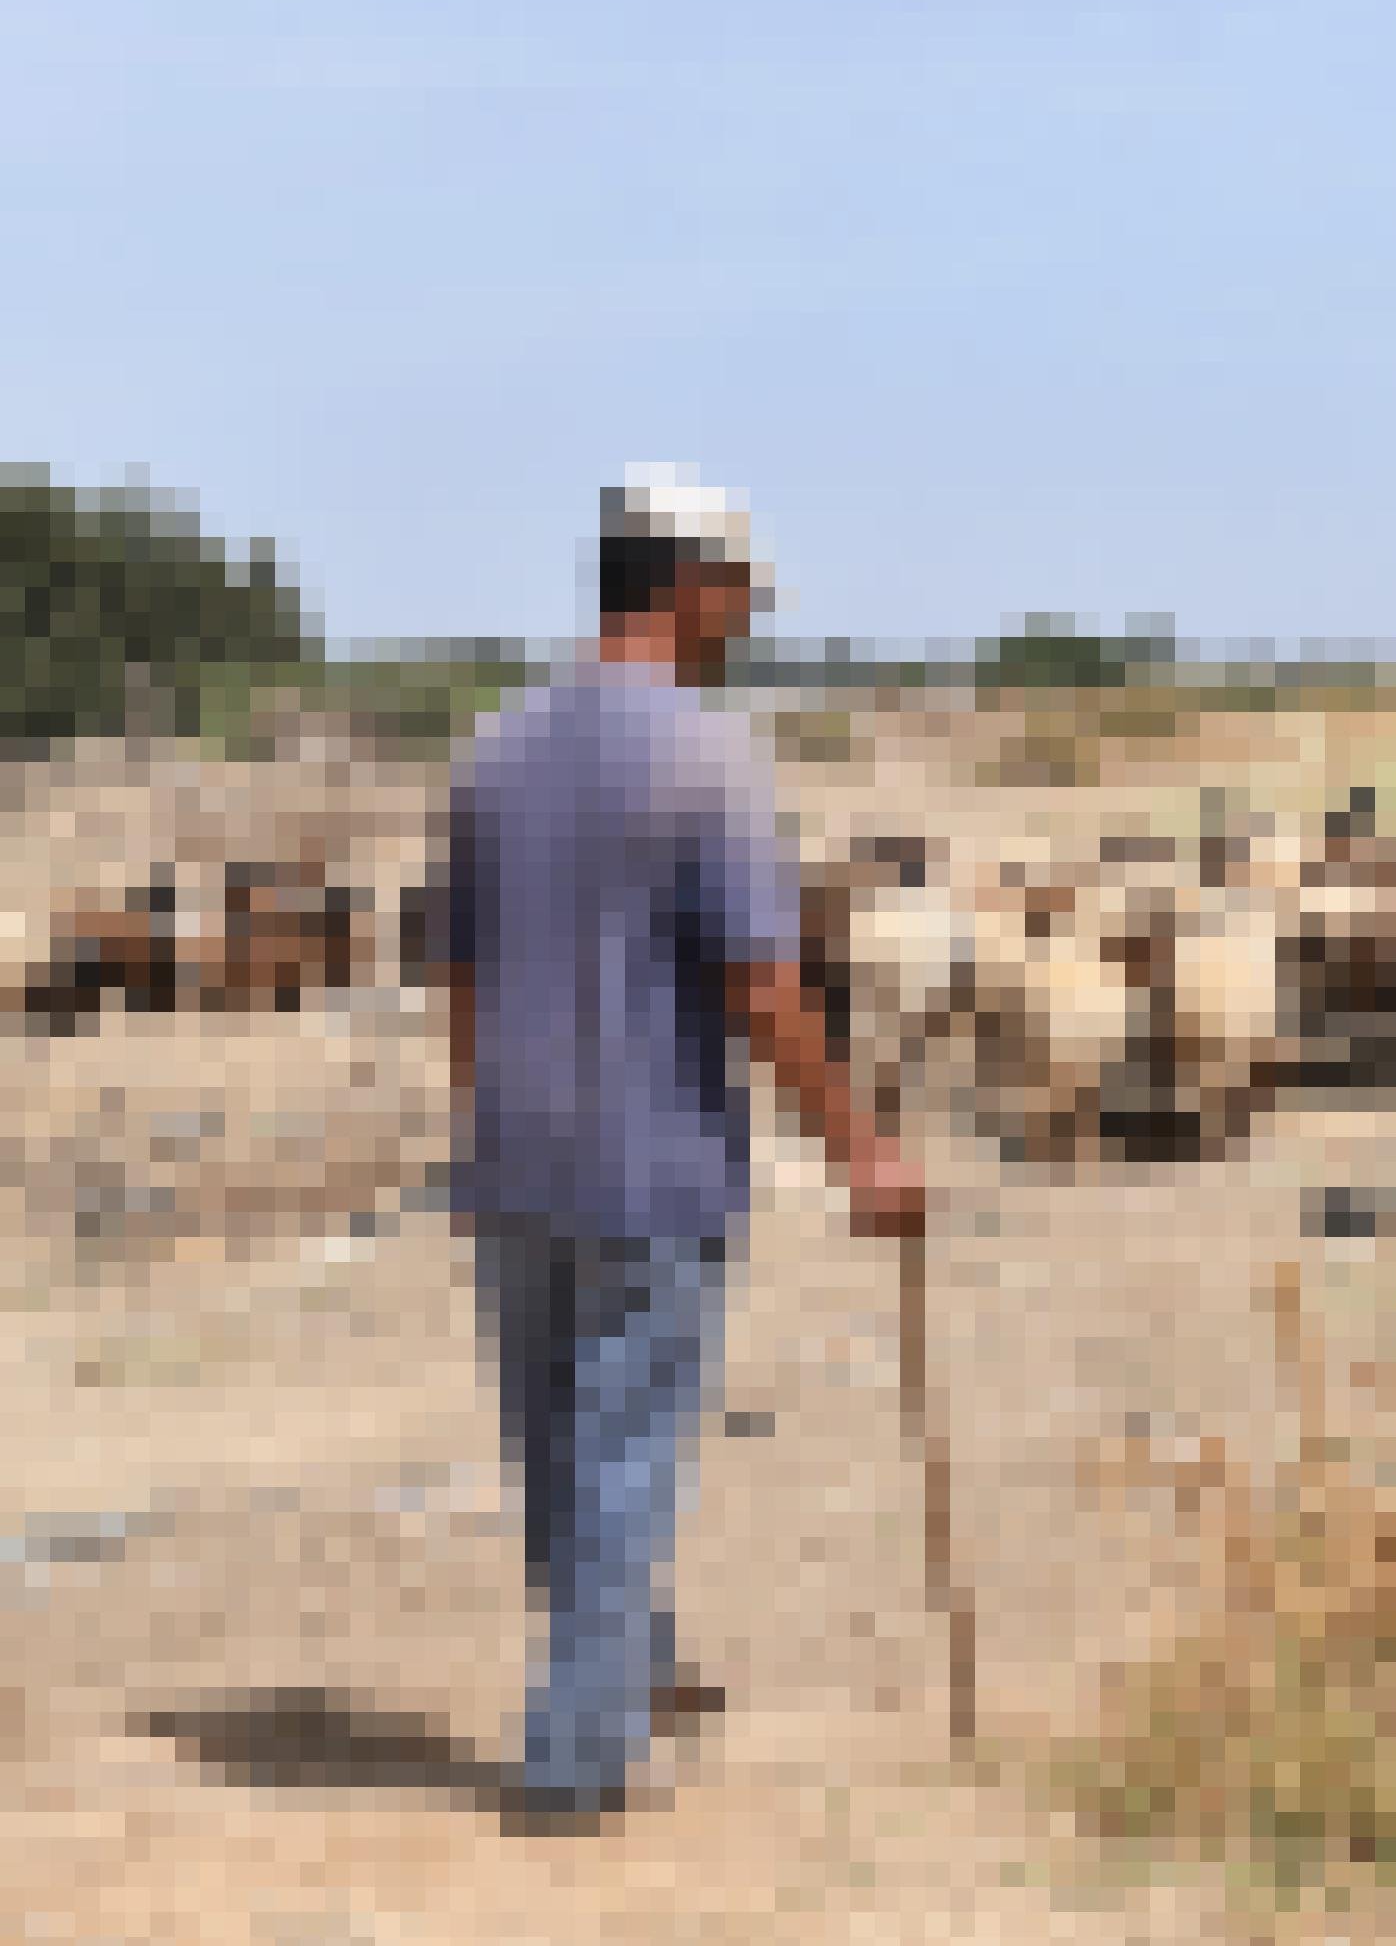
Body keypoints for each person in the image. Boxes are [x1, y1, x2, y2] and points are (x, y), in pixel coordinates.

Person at [435, 463, 927, 1832]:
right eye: (740, 597)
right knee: (628, 1450)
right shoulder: (705, 755)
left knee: (555, 1452)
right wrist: (861, 1154)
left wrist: (482, 1138)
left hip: (515, 1165)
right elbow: (764, 986)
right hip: (652, 1167)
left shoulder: (491, 747)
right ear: (689, 588)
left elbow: (461, 983)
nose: (746, 623)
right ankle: (574, 1762)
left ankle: (625, 1666)